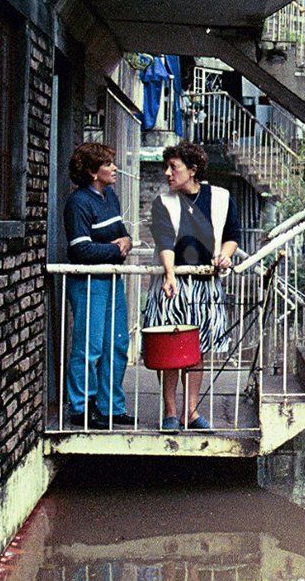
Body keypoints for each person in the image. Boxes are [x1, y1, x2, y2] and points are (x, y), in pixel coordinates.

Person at [143, 141, 241, 432]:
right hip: (174, 282)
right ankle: (170, 410)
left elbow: (232, 235)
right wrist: (170, 274)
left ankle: (192, 410)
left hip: (205, 283)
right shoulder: (164, 201)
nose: (167, 173)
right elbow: (164, 240)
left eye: (174, 167)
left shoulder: (221, 198)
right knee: (170, 348)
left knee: (198, 349)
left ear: (193, 170)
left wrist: (226, 253)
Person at [63, 142, 134, 430]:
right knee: (89, 347)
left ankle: (111, 407)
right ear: (93, 172)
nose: (114, 168)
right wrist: (116, 250)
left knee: (116, 344)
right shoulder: (78, 202)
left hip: (112, 280)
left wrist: (126, 241)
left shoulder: (111, 197)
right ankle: (81, 408)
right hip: (89, 282)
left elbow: (122, 234)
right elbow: (81, 249)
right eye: (107, 164)